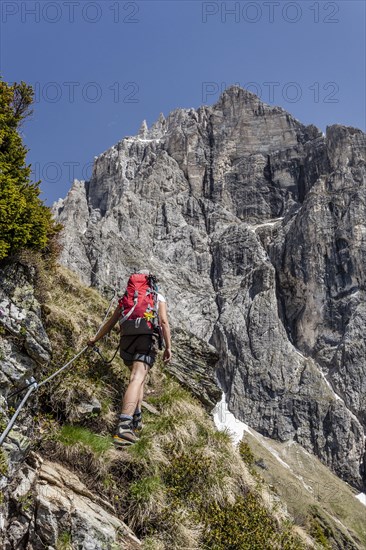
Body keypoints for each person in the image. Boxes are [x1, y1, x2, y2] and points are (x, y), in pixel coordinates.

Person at [87, 271, 172, 446]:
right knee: (137, 378)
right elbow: (163, 322)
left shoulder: (128, 297)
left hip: (126, 340)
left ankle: (137, 417)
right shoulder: (157, 296)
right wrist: (168, 347)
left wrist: (95, 339)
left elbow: (111, 321)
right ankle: (124, 426)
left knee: (136, 378)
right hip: (146, 339)